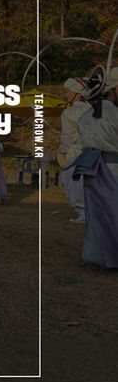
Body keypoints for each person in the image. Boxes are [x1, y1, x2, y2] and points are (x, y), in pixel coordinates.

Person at [73, 67, 118, 268]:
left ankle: (95, 254)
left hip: (91, 167)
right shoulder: (115, 115)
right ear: (111, 91)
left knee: (96, 213)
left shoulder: (85, 117)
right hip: (113, 167)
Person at [58, 77, 90, 222]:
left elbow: (67, 136)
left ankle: (82, 212)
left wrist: (64, 151)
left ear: (78, 93)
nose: (67, 94)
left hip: (75, 150)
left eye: (70, 92)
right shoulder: (92, 109)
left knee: (71, 180)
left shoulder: (68, 112)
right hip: (92, 150)